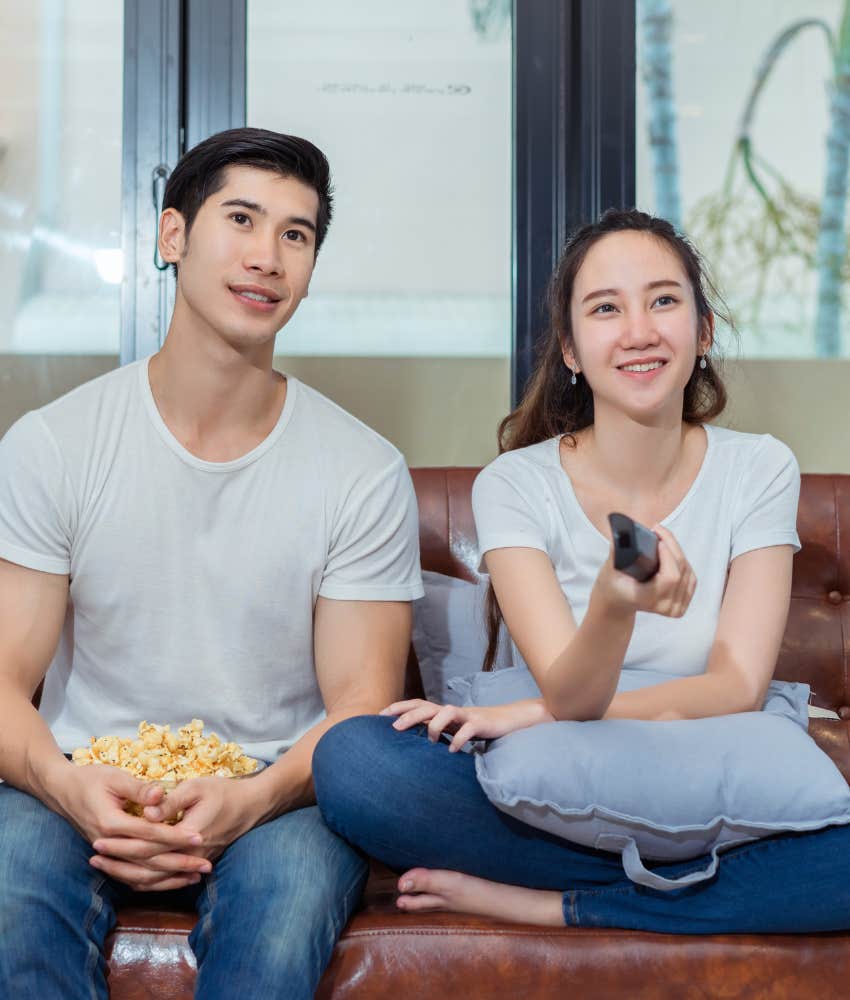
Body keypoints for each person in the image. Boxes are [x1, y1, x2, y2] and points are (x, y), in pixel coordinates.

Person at [312, 208, 850, 934]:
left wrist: (528, 713)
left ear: (704, 331)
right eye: (606, 308)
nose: (638, 330)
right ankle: (689, 890)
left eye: (664, 300)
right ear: (570, 349)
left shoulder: (759, 467)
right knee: (356, 763)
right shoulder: (514, 484)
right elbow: (572, 688)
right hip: (560, 793)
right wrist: (615, 603)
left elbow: (738, 687)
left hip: (705, 785)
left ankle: (562, 905)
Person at [0, 127, 422, 998]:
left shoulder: (361, 469)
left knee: (285, 915)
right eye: (241, 218)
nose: (267, 256)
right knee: (11, 894)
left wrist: (253, 799)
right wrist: (67, 786)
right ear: (172, 237)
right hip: (79, 779)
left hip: (277, 790)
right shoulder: (53, 445)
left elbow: (361, 705)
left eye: (296, 235)